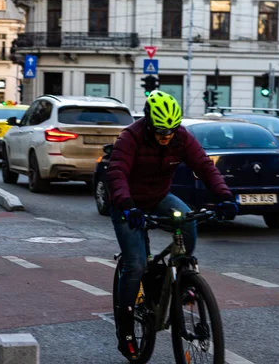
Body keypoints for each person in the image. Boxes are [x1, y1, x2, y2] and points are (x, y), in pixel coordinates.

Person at [106, 90, 238, 360]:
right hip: (127, 202)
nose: (167, 137)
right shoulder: (130, 138)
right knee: (136, 264)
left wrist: (224, 196)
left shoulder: (180, 137)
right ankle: (126, 328)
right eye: (161, 132)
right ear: (148, 122)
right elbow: (116, 173)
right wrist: (128, 206)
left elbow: (204, 165)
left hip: (159, 197)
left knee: (188, 221)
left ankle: (181, 279)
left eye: (171, 131)